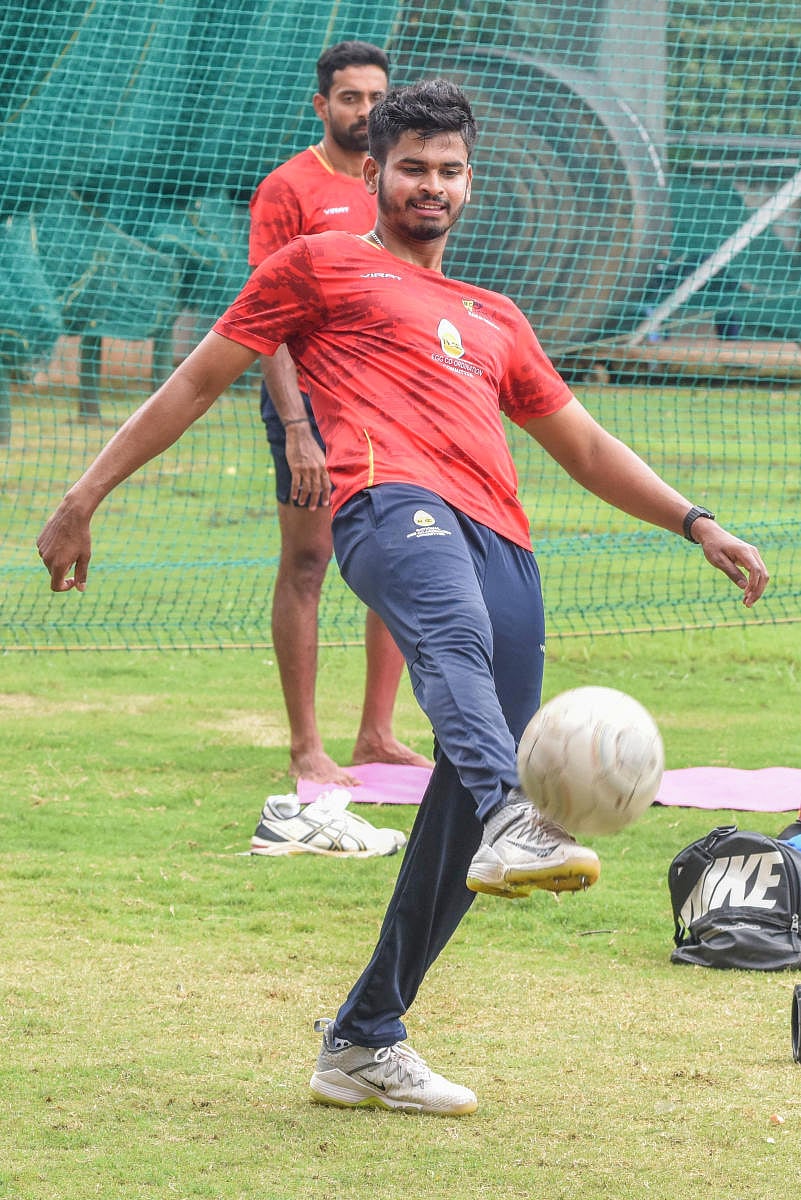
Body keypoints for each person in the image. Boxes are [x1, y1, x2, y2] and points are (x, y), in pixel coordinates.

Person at [37, 79, 769, 1117]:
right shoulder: (319, 264)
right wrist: (83, 495)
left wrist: (697, 522)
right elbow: (196, 383)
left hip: (503, 537)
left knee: (458, 808)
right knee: (459, 666)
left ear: (470, 183)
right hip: (388, 501)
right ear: (375, 172)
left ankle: (367, 1037)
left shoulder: (495, 317)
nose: (432, 184)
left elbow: (587, 447)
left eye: (450, 169)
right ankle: (519, 818)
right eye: (413, 166)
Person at [249, 39, 430, 785]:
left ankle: (376, 735)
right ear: (321, 104)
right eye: (349, 98)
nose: (364, 111)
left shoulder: (396, 181)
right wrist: (298, 429)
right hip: (309, 413)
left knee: (396, 559)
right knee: (308, 562)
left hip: (388, 408)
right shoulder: (287, 189)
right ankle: (305, 747)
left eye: (374, 98)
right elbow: (263, 324)